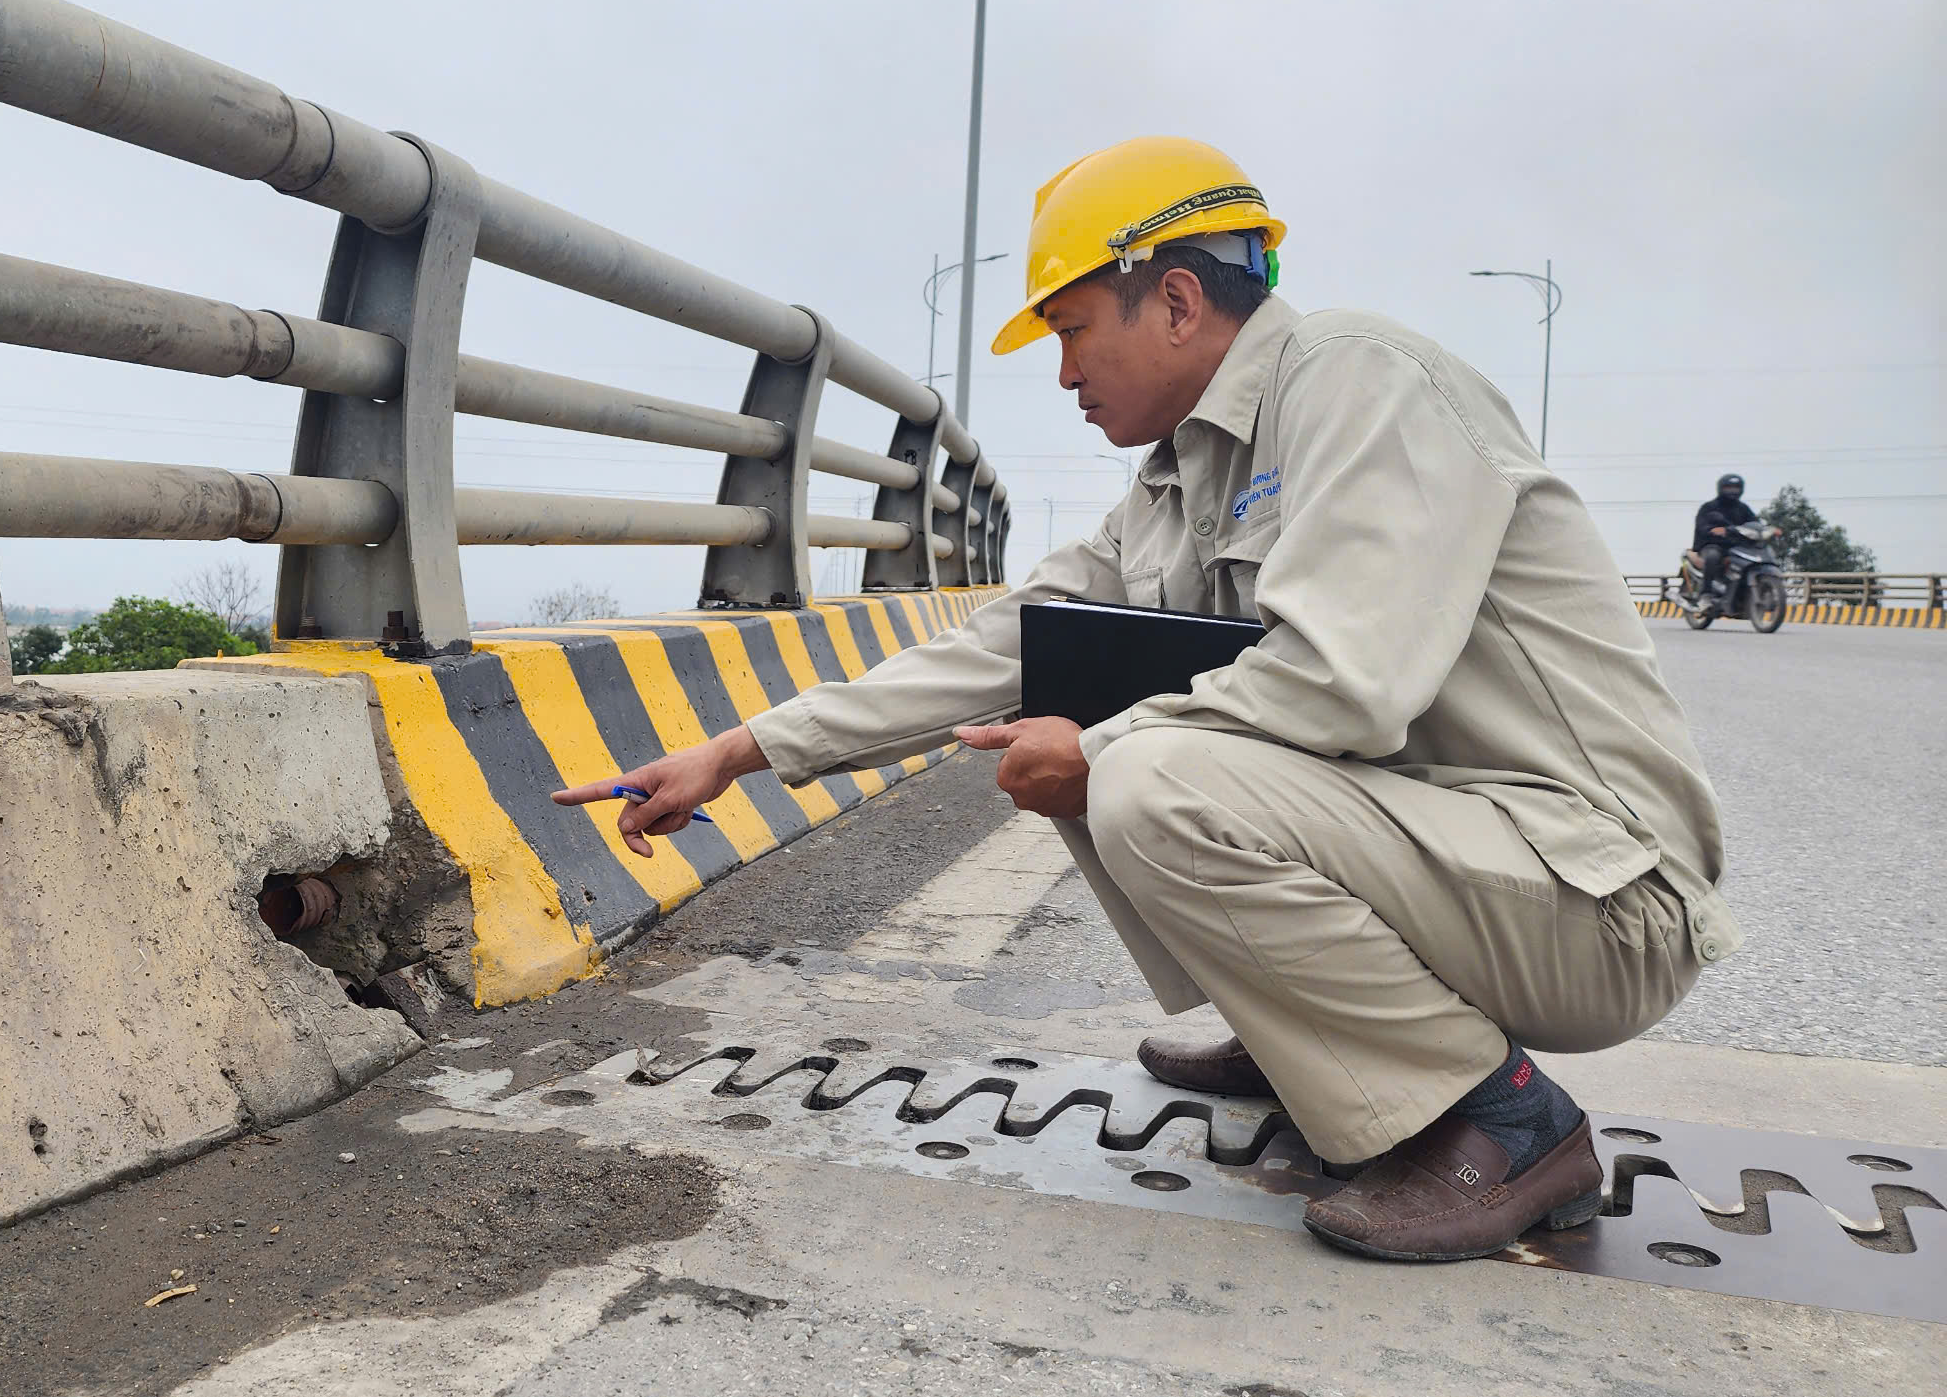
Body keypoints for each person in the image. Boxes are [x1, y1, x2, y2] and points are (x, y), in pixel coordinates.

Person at [556, 136, 1739, 1263]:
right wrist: (741, 749)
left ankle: (1512, 1125)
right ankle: (1313, 1036)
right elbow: (1013, 643)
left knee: (1145, 766)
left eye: (1072, 332)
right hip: (1467, 862)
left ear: (1175, 301)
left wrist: (1102, 751)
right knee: (1099, 707)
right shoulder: (1180, 476)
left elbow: (1341, 683)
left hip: (1598, 896)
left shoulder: (1362, 384)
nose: (1063, 373)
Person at [1692, 474, 1759, 607]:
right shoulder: (1709, 507)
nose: (1733, 491)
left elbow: (1755, 523)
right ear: (1721, 488)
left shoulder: (1743, 508)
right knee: (1712, 557)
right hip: (1713, 545)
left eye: (1736, 488)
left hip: (1736, 547)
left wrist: (1767, 530)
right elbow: (1702, 526)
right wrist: (1713, 530)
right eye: (1729, 487)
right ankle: (1706, 594)